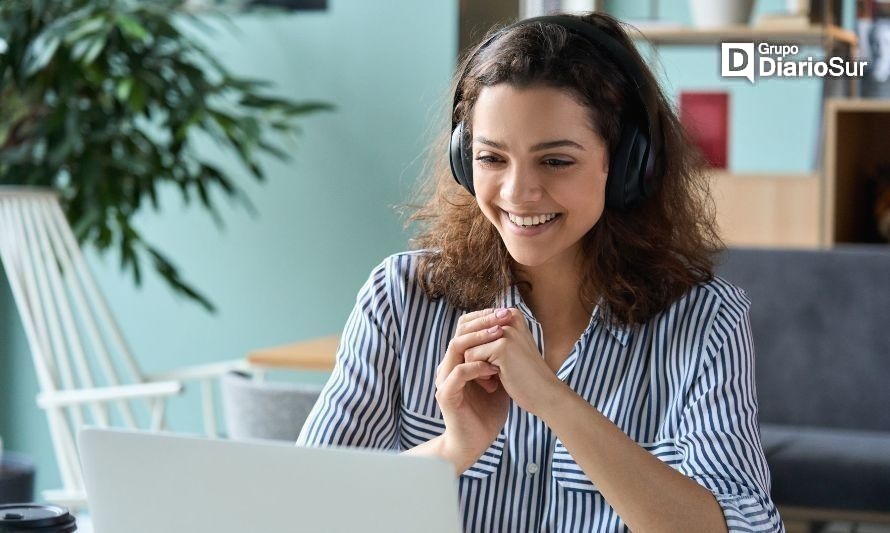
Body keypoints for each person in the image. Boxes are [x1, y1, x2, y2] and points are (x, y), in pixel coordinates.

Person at [297, 11, 784, 533]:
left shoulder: (704, 321)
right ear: (464, 160)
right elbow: (302, 510)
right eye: (491, 158)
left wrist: (553, 401)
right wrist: (451, 449)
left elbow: (748, 528)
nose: (517, 193)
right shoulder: (400, 298)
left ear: (624, 165)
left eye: (555, 161)